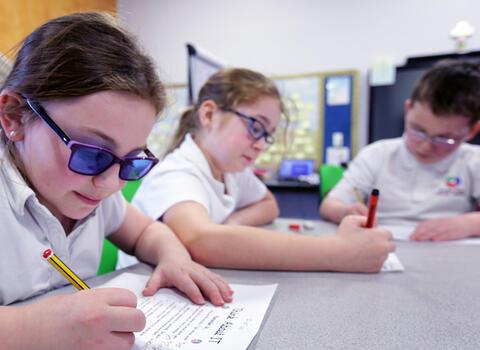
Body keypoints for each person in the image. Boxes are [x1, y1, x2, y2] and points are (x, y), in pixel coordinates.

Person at [0, 12, 233, 350]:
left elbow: (145, 232)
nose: (111, 184)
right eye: (91, 153)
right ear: (14, 116)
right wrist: (30, 336)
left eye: (131, 161)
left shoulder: (98, 193)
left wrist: (174, 257)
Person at [119, 68, 394, 273]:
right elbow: (199, 239)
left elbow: (268, 204)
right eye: (256, 127)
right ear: (209, 114)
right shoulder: (177, 172)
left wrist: (234, 224)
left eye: (268, 134)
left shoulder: (231, 170)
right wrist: (340, 252)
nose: (261, 144)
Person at [320, 59, 480, 242]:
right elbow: (329, 205)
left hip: (451, 252)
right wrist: (345, 211)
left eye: (444, 138)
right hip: (383, 242)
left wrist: (468, 224)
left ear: (472, 131)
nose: (425, 145)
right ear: (408, 109)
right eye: (418, 130)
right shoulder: (377, 154)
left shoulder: (473, 160)